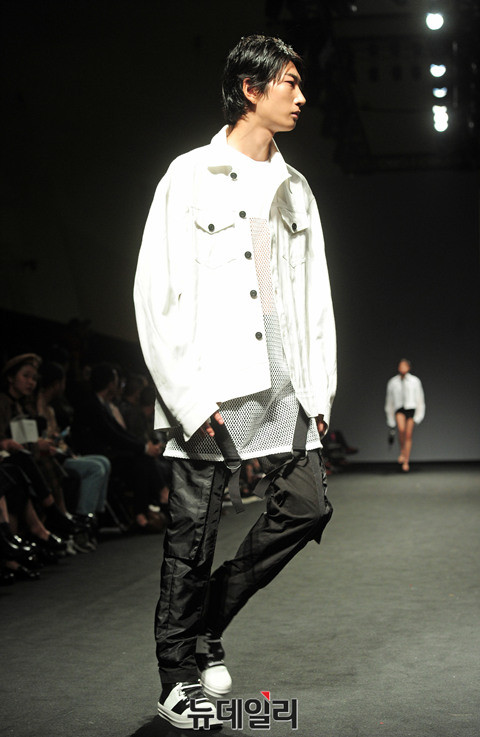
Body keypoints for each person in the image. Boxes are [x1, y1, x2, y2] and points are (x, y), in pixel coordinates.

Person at [134, 34, 336, 729]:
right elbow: (155, 292)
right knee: (192, 534)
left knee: (307, 505)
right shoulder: (189, 175)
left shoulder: (296, 187)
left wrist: (319, 392)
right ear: (251, 89)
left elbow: (314, 298)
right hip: (211, 387)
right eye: (289, 82)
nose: (301, 96)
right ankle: (176, 678)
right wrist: (187, 399)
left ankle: (208, 620)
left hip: (284, 385)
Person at [385, 358, 425, 472]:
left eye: (404, 366)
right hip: (399, 408)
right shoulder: (393, 382)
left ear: (409, 367)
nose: (402, 368)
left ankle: (406, 460)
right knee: (401, 430)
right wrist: (390, 418)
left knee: (408, 434)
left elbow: (420, 398)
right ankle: (402, 451)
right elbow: (389, 401)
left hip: (411, 408)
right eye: (400, 366)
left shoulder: (415, 381)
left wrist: (419, 415)